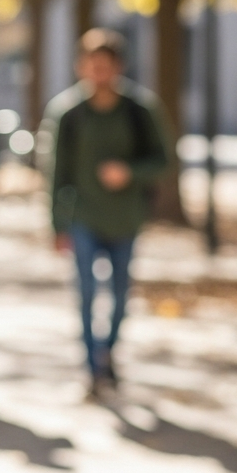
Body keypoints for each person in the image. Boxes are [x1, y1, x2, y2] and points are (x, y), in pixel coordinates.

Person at [43, 28, 170, 397]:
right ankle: (92, 368)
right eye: (91, 65)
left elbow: (162, 159)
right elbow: (56, 174)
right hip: (83, 218)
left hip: (125, 218)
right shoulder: (68, 113)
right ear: (81, 66)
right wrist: (56, 224)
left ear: (119, 67)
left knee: (118, 295)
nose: (98, 72)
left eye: (106, 65)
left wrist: (129, 172)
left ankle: (108, 352)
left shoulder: (139, 110)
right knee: (85, 293)